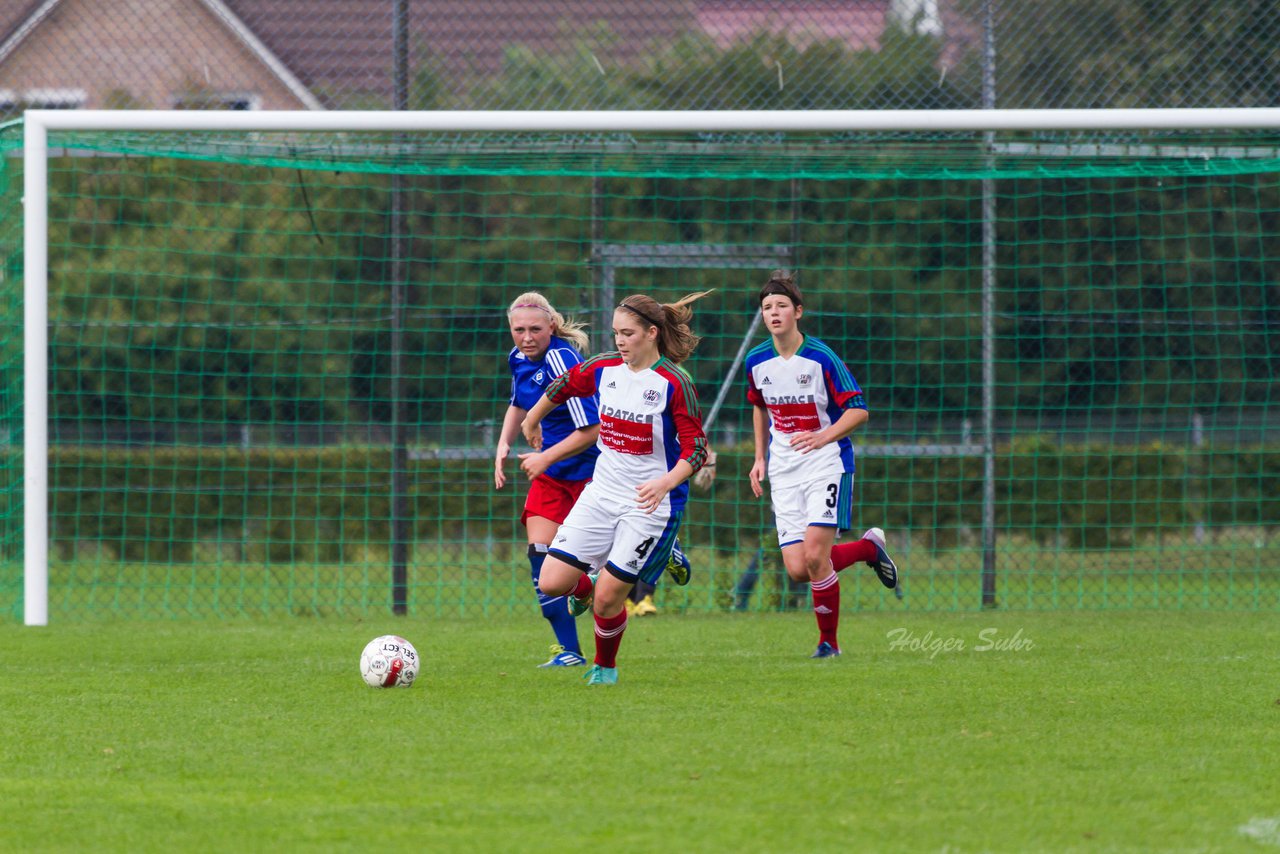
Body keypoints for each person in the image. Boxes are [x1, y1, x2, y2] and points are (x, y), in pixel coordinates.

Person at [522, 291, 713, 685]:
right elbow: (563, 385)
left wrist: (665, 482)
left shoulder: (674, 384)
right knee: (551, 581)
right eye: (616, 334)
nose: (620, 342)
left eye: (628, 334)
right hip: (601, 494)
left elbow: (696, 450)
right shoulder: (604, 368)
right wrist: (532, 420)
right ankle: (587, 583)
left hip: (648, 503)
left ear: (652, 334)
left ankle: (605, 669)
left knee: (608, 600)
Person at [745, 271, 898, 658]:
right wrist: (760, 457)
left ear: (798, 312)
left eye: (781, 306)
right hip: (783, 469)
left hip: (826, 464)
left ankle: (828, 644)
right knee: (798, 569)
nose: (774, 313)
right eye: (767, 307)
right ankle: (867, 549)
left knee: (816, 556)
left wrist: (821, 437)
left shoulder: (821, 357)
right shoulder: (756, 360)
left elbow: (858, 410)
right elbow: (759, 407)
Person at [495, 292, 600, 668]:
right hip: (550, 473)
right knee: (540, 559)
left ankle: (664, 545)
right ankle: (570, 651)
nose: (526, 337)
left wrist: (544, 458)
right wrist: (503, 445)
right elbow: (518, 403)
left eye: (535, 329)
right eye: (519, 330)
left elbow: (591, 430)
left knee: (612, 561)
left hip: (592, 472)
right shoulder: (517, 359)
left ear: (551, 327)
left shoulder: (562, 360)